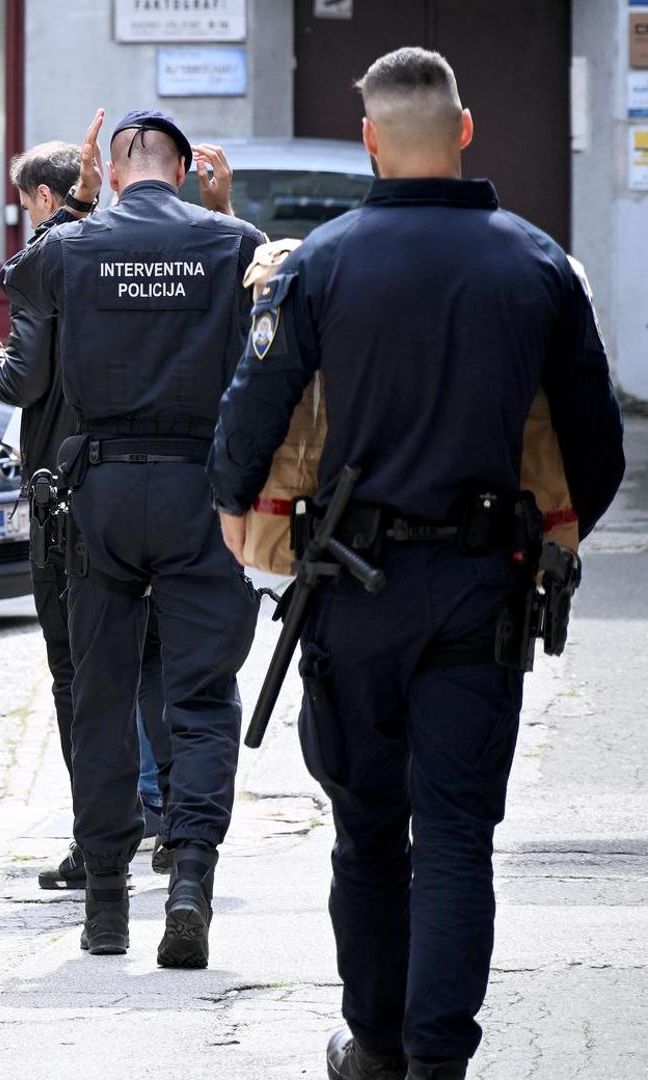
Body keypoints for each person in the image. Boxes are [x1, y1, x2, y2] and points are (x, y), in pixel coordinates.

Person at [208, 48, 624, 1080]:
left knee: (364, 832)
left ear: (369, 141)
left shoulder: (320, 262)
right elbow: (597, 448)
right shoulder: (534, 264)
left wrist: (240, 519)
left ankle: (378, 1047)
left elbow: (247, 423)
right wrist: (539, 543)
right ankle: (440, 1061)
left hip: (349, 585)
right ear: (466, 129)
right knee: (453, 836)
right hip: (482, 592)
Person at [1, 107, 263, 968]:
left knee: (101, 694)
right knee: (199, 694)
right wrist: (224, 214)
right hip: (200, 489)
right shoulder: (229, 243)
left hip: (102, 488)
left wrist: (76, 205)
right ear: (185, 170)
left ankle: (106, 905)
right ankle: (190, 878)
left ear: (109, 172)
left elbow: (19, 282)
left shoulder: (74, 243)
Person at [0, 140, 171, 890]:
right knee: (154, 659)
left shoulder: (52, 269)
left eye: (28, 207)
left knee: (78, 673)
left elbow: (23, 379)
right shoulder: (139, 258)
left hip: (67, 490)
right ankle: (171, 824)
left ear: (48, 201)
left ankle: (98, 846)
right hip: (149, 484)